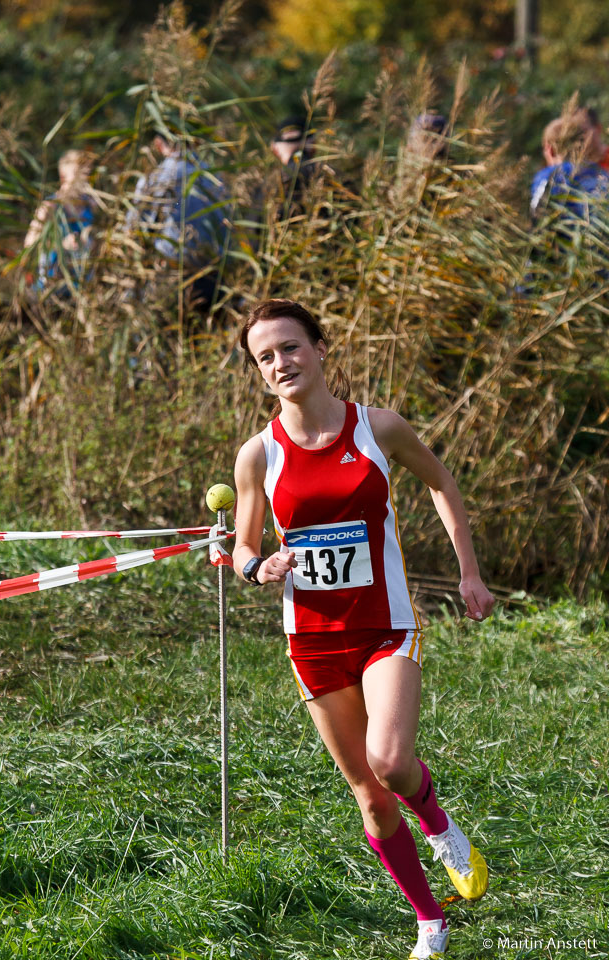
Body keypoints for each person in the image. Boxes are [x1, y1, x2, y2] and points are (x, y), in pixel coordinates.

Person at [233, 298, 495, 960]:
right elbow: (243, 548)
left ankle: (439, 825)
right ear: (259, 371)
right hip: (312, 641)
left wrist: (468, 573)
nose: (280, 362)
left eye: (290, 347)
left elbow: (442, 482)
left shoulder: (378, 427)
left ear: (320, 348)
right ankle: (429, 921)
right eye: (265, 357)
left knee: (391, 762)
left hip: (385, 626)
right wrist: (260, 568)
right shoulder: (258, 455)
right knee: (372, 799)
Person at [125, 135, 230, 310]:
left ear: (159, 144)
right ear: (194, 140)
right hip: (213, 272)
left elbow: (133, 229)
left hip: (169, 272)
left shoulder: (153, 179)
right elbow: (227, 225)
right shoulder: (214, 176)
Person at [24, 150, 97, 296]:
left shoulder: (91, 205)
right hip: (51, 289)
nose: (84, 178)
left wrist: (91, 243)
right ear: (63, 176)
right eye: (79, 173)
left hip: (83, 290)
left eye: (86, 172)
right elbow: (29, 244)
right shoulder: (49, 207)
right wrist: (61, 245)